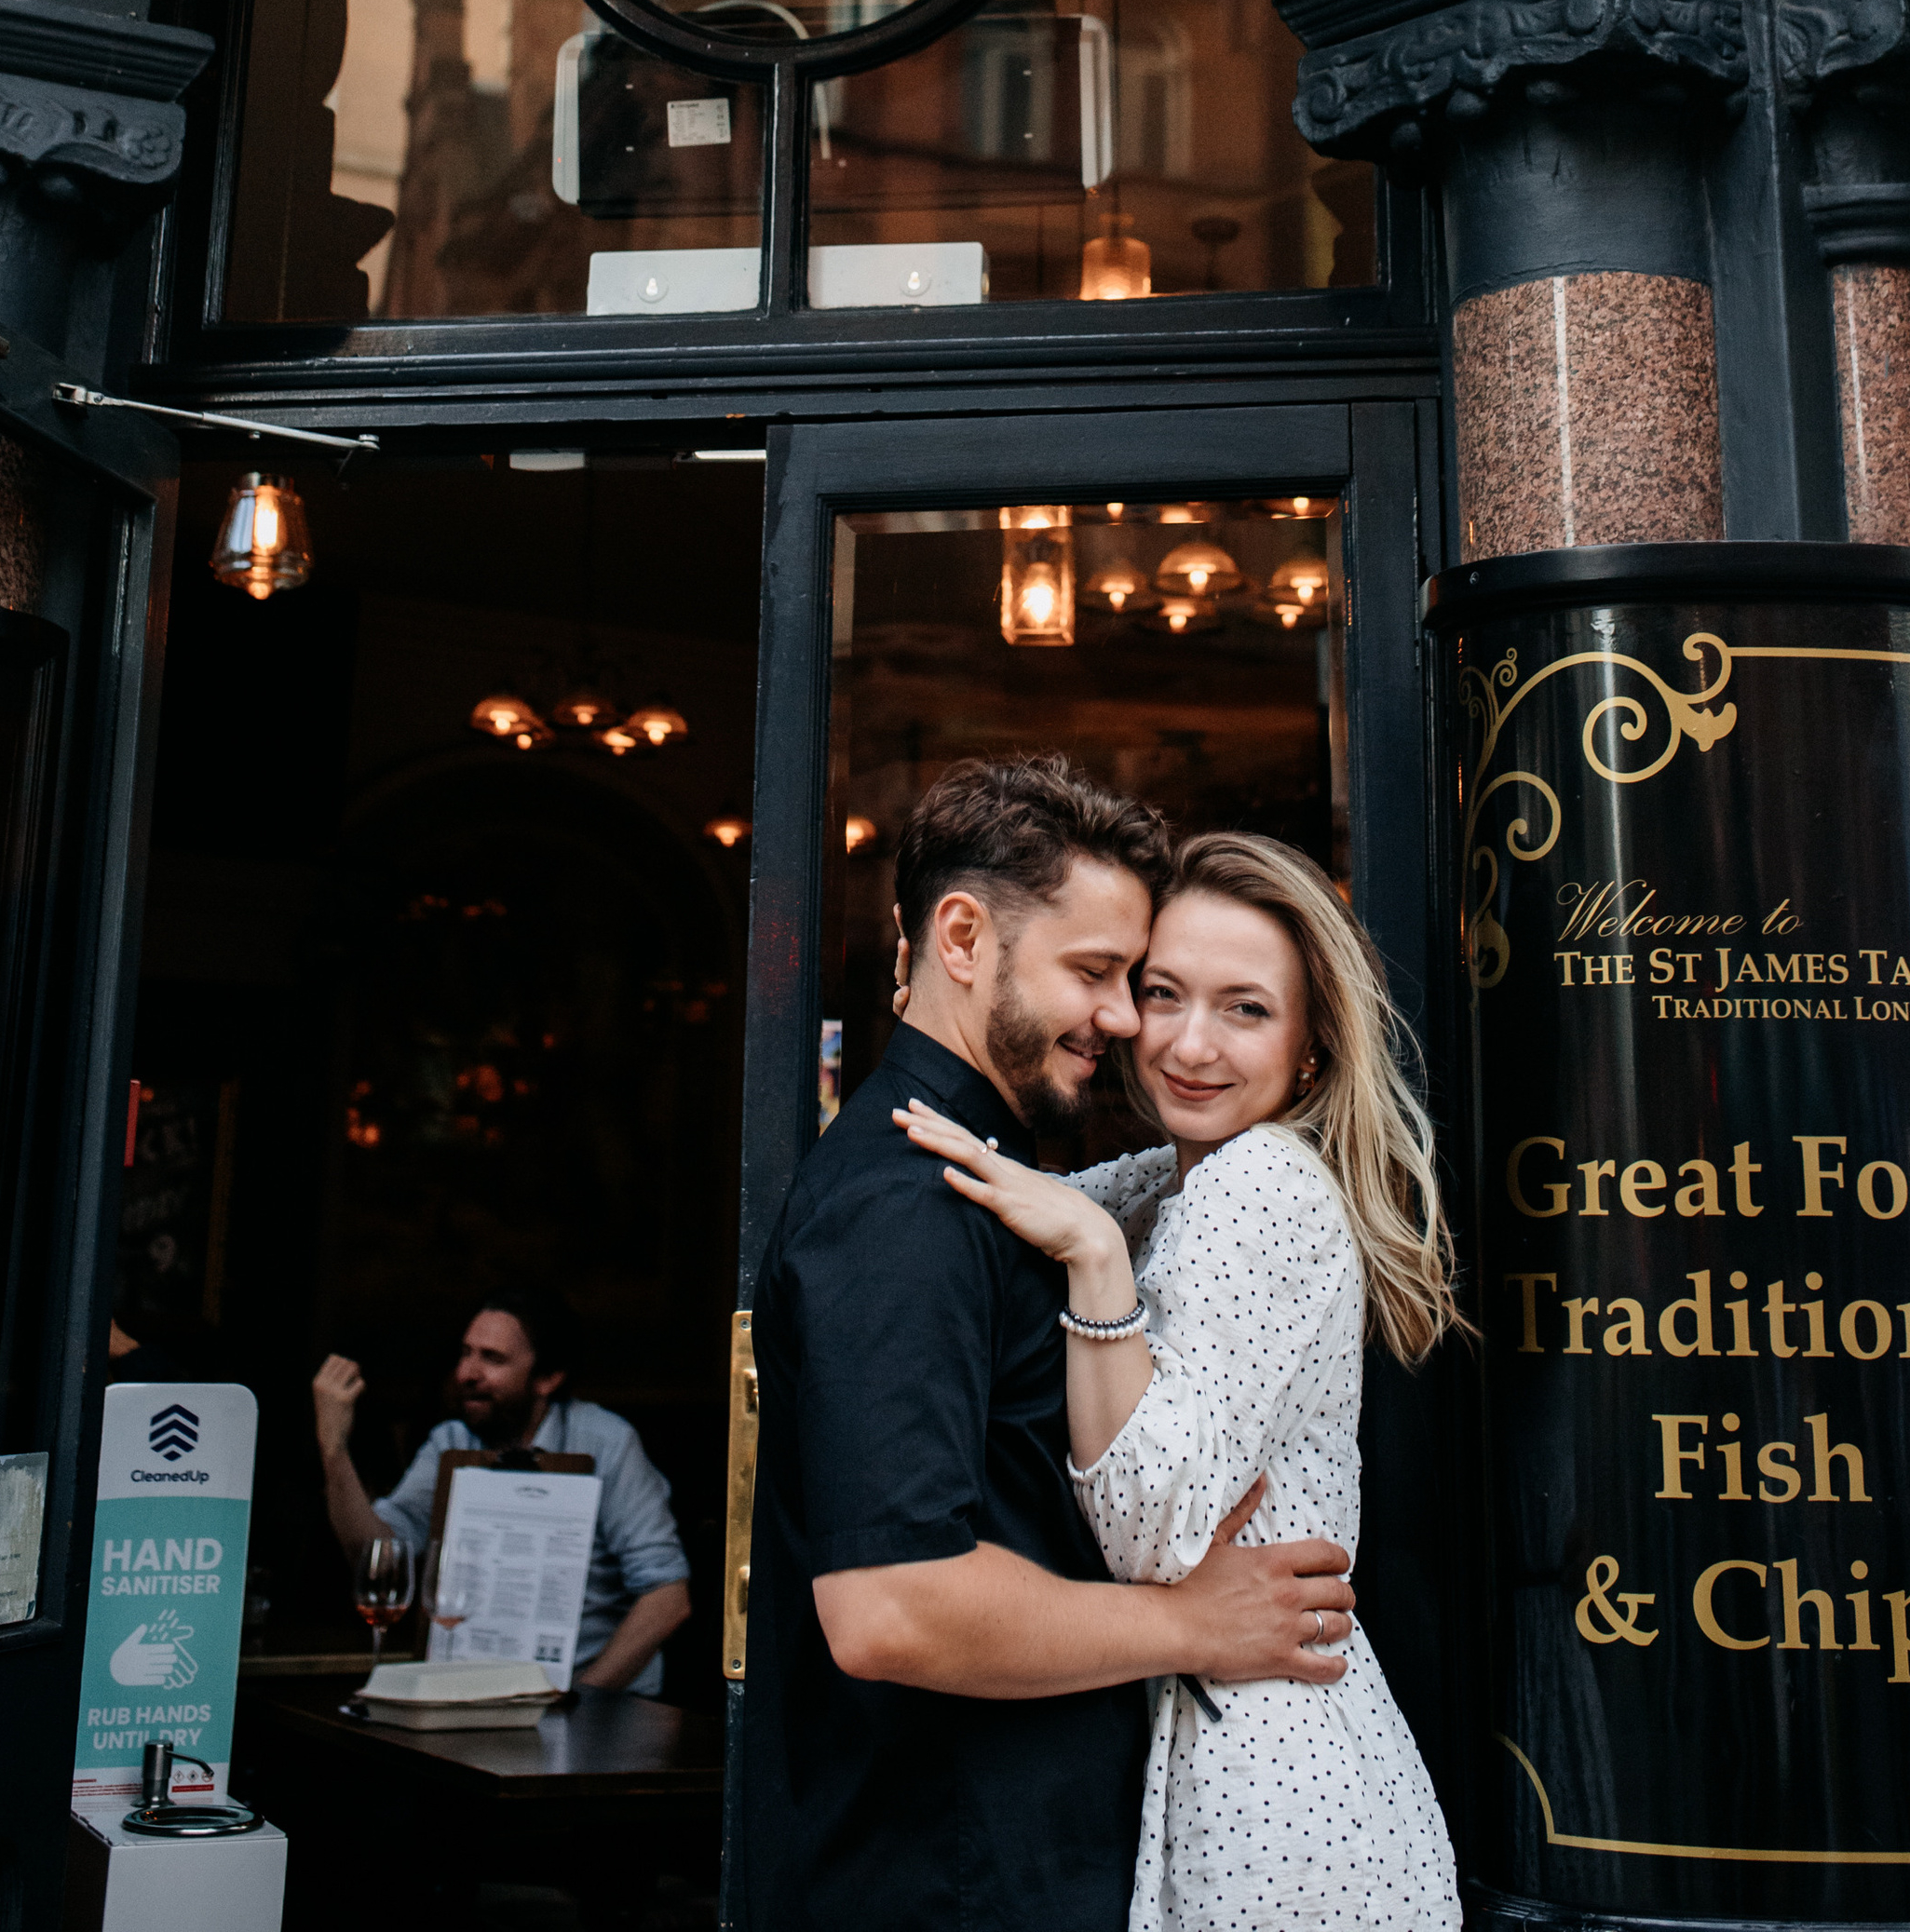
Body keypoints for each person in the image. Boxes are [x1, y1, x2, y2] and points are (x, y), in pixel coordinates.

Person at [745, 758, 1365, 1932]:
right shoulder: (906, 1208)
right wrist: (1187, 1626)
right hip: (958, 1878)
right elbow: (892, 1605)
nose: (1127, 1021)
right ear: (963, 937)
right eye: (1099, 975)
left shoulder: (1025, 1183)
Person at [901, 825, 1461, 1932]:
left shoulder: (1255, 1184)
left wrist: (1095, 1267)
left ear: (1310, 1045)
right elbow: (1019, 1201)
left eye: (1244, 1009)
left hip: (1270, 1784)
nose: (1188, 1044)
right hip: (1248, 1745)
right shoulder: (1173, 1178)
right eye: (1162, 994)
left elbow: (1153, 1535)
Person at [312, 1294, 692, 1692]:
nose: (467, 1373)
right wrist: (333, 1447)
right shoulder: (451, 1442)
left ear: (548, 1378)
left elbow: (667, 1597)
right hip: (469, 1693)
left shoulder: (605, 1443)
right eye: (465, 1354)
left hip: (594, 1707)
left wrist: (579, 1698)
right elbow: (377, 1556)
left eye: (492, 1359)